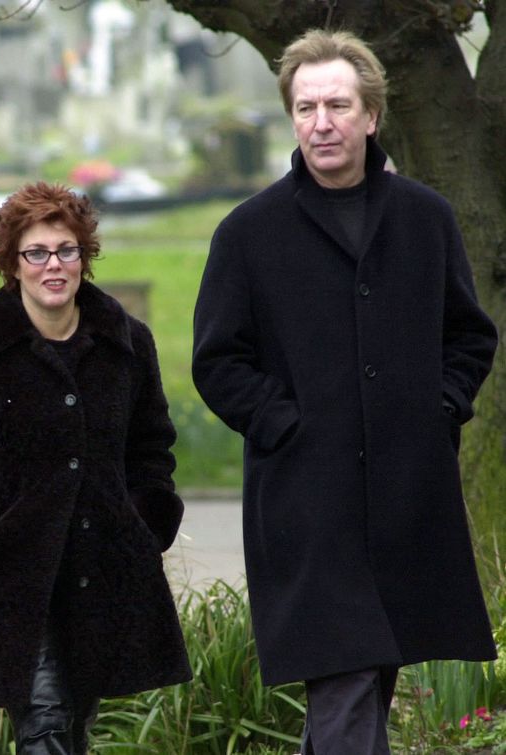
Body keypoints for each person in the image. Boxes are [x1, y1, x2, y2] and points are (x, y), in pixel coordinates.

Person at [192, 28, 498, 754]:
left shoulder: (426, 219)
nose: (320, 122)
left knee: (364, 679)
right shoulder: (248, 233)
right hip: (307, 503)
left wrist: (440, 408)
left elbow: (468, 335)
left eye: (335, 104)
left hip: (406, 497)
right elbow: (218, 360)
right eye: (304, 107)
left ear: (370, 115)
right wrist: (284, 425)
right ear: (290, 118)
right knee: (346, 676)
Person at [0, 182, 191, 754]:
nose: (53, 265)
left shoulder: (127, 344)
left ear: (85, 257)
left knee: (72, 723)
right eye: (36, 253)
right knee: (46, 720)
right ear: (12, 264)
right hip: (12, 578)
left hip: (101, 569)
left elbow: (151, 447)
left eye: (67, 250)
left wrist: (146, 523)